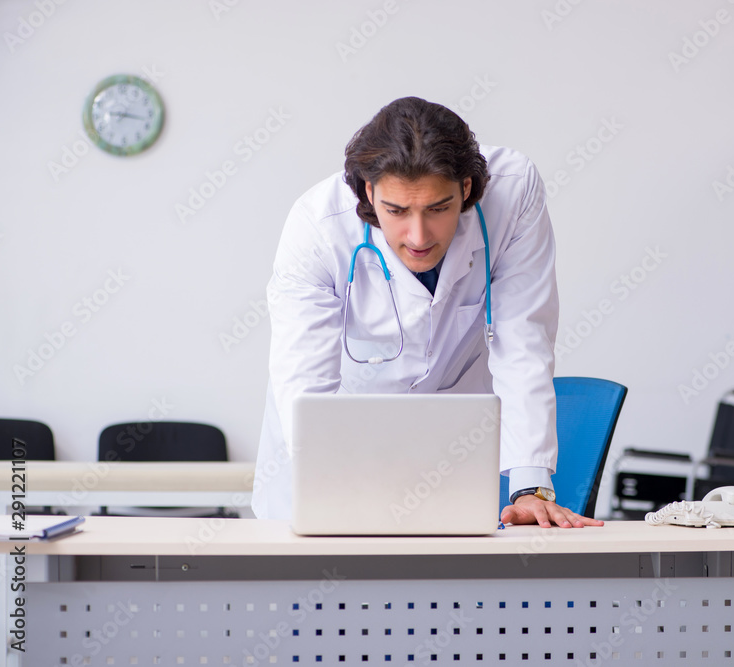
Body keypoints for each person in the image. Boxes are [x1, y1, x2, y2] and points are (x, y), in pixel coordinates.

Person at [252, 97, 602, 529]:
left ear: (467, 189)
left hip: (450, 445)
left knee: (450, 563)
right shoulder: (318, 227)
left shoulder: (513, 194)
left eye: (438, 209)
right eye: (397, 211)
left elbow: (523, 341)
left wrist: (531, 487)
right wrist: (331, 481)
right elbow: (304, 385)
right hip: (339, 440)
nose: (418, 236)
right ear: (369, 192)